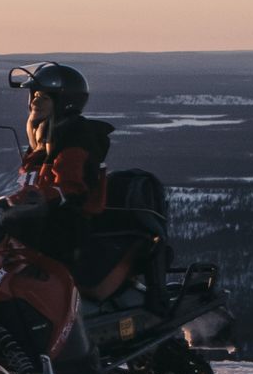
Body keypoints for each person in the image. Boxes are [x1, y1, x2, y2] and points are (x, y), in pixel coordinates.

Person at [9, 60, 159, 296]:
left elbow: (70, 186)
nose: (36, 101)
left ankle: (61, 328)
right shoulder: (43, 139)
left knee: (36, 284)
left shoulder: (76, 138)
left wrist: (40, 197)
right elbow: (26, 180)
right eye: (34, 95)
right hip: (40, 221)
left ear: (64, 102)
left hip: (65, 227)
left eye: (45, 97)